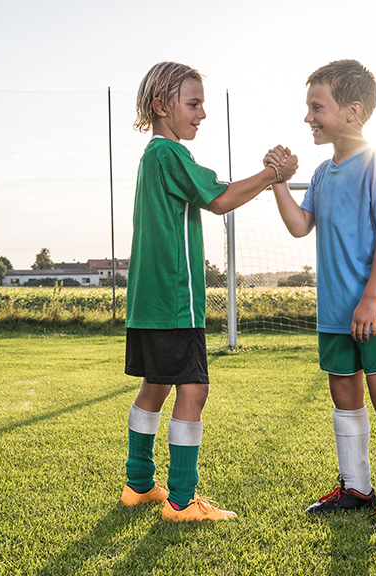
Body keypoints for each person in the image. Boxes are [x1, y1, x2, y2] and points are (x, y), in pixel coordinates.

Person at [120, 61, 298, 522]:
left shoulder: (152, 157)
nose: (201, 114)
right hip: (176, 300)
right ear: (162, 106)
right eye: (193, 103)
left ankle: (137, 484)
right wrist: (272, 174)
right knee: (194, 388)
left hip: (148, 301)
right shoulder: (170, 155)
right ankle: (182, 500)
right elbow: (219, 199)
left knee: (156, 385)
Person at [264, 59, 376, 531]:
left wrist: (372, 297)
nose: (309, 117)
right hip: (334, 312)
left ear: (352, 111)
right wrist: (278, 180)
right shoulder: (322, 173)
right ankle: (356, 487)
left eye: (317, 107)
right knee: (343, 393)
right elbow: (299, 226)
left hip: (375, 309)